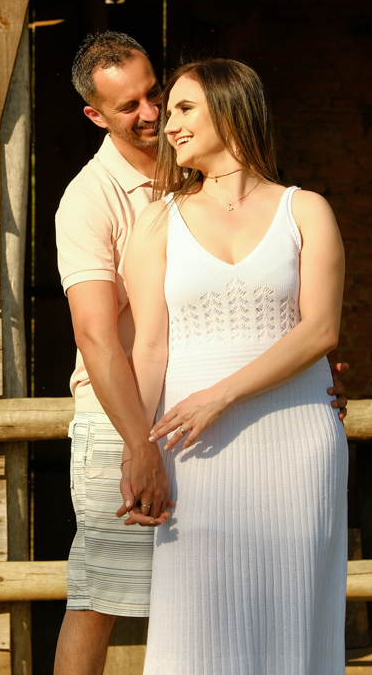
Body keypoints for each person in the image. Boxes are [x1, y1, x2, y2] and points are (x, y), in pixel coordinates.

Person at [53, 33, 348, 675]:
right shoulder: (130, 209)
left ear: (228, 107)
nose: (160, 117)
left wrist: (307, 378)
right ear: (97, 115)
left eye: (172, 102)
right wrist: (143, 444)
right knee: (152, 609)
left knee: (292, 607)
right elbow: (128, 339)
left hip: (290, 437)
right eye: (137, 105)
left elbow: (317, 328)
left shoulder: (309, 210)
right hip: (174, 435)